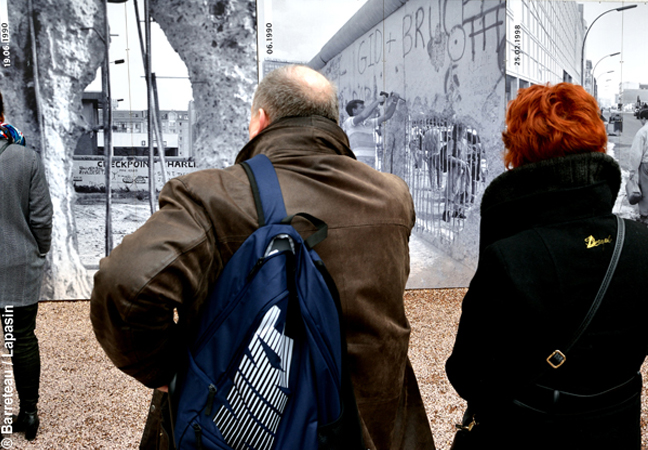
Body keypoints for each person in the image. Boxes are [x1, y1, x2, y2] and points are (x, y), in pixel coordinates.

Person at [90, 65, 435, 450]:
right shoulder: (392, 196)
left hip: (254, 424)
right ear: (333, 122)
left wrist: (163, 368)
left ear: (260, 121)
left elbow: (124, 283)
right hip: (375, 423)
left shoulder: (211, 195)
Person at [446, 82, 648, 448]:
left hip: (527, 432)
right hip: (615, 429)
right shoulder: (645, 245)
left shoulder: (508, 256)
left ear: (518, 152)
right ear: (598, 144)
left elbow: (467, 373)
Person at [0, 90, 53, 441]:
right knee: (20, 338)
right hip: (19, 267)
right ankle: (28, 415)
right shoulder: (25, 157)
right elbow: (42, 218)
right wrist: (40, 251)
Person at [343, 92, 400, 169]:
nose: (365, 109)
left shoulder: (368, 123)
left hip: (371, 161)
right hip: (358, 161)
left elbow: (387, 115)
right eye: (362, 107)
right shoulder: (349, 122)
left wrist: (394, 101)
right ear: (354, 110)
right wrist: (377, 101)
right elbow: (364, 115)